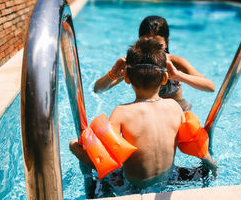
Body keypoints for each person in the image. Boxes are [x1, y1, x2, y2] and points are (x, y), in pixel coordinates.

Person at [70, 38, 217, 188]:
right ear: (165, 78)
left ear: (126, 78)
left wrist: (79, 145)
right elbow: (195, 143)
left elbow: (104, 157)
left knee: (75, 144)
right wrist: (212, 165)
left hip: (132, 186)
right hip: (167, 178)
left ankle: (93, 190)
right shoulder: (174, 107)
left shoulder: (121, 112)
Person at [93, 15, 215, 111]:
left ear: (166, 43)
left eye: (157, 43)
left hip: (177, 109)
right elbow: (98, 89)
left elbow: (210, 87)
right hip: (147, 110)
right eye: (145, 42)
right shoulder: (134, 63)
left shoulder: (176, 63)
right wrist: (113, 75)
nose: (150, 48)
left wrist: (178, 75)